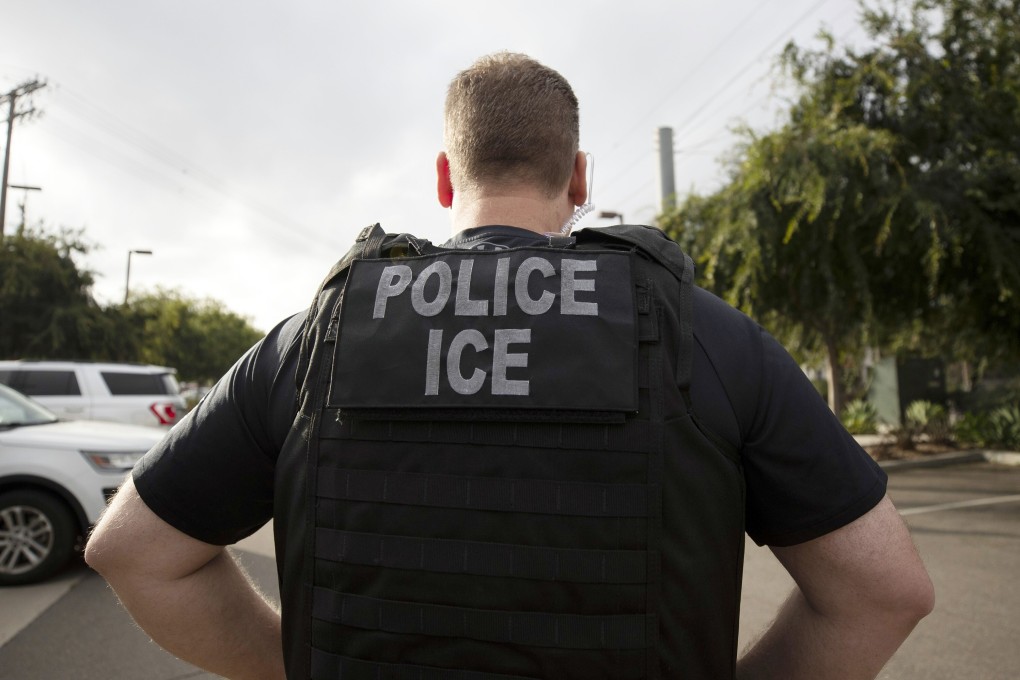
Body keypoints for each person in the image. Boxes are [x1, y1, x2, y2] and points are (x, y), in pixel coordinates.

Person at [86, 52, 933, 680]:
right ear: (581, 177)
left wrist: (296, 664)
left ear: (447, 177)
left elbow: (133, 552)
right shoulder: (704, 334)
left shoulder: (319, 336)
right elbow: (884, 592)